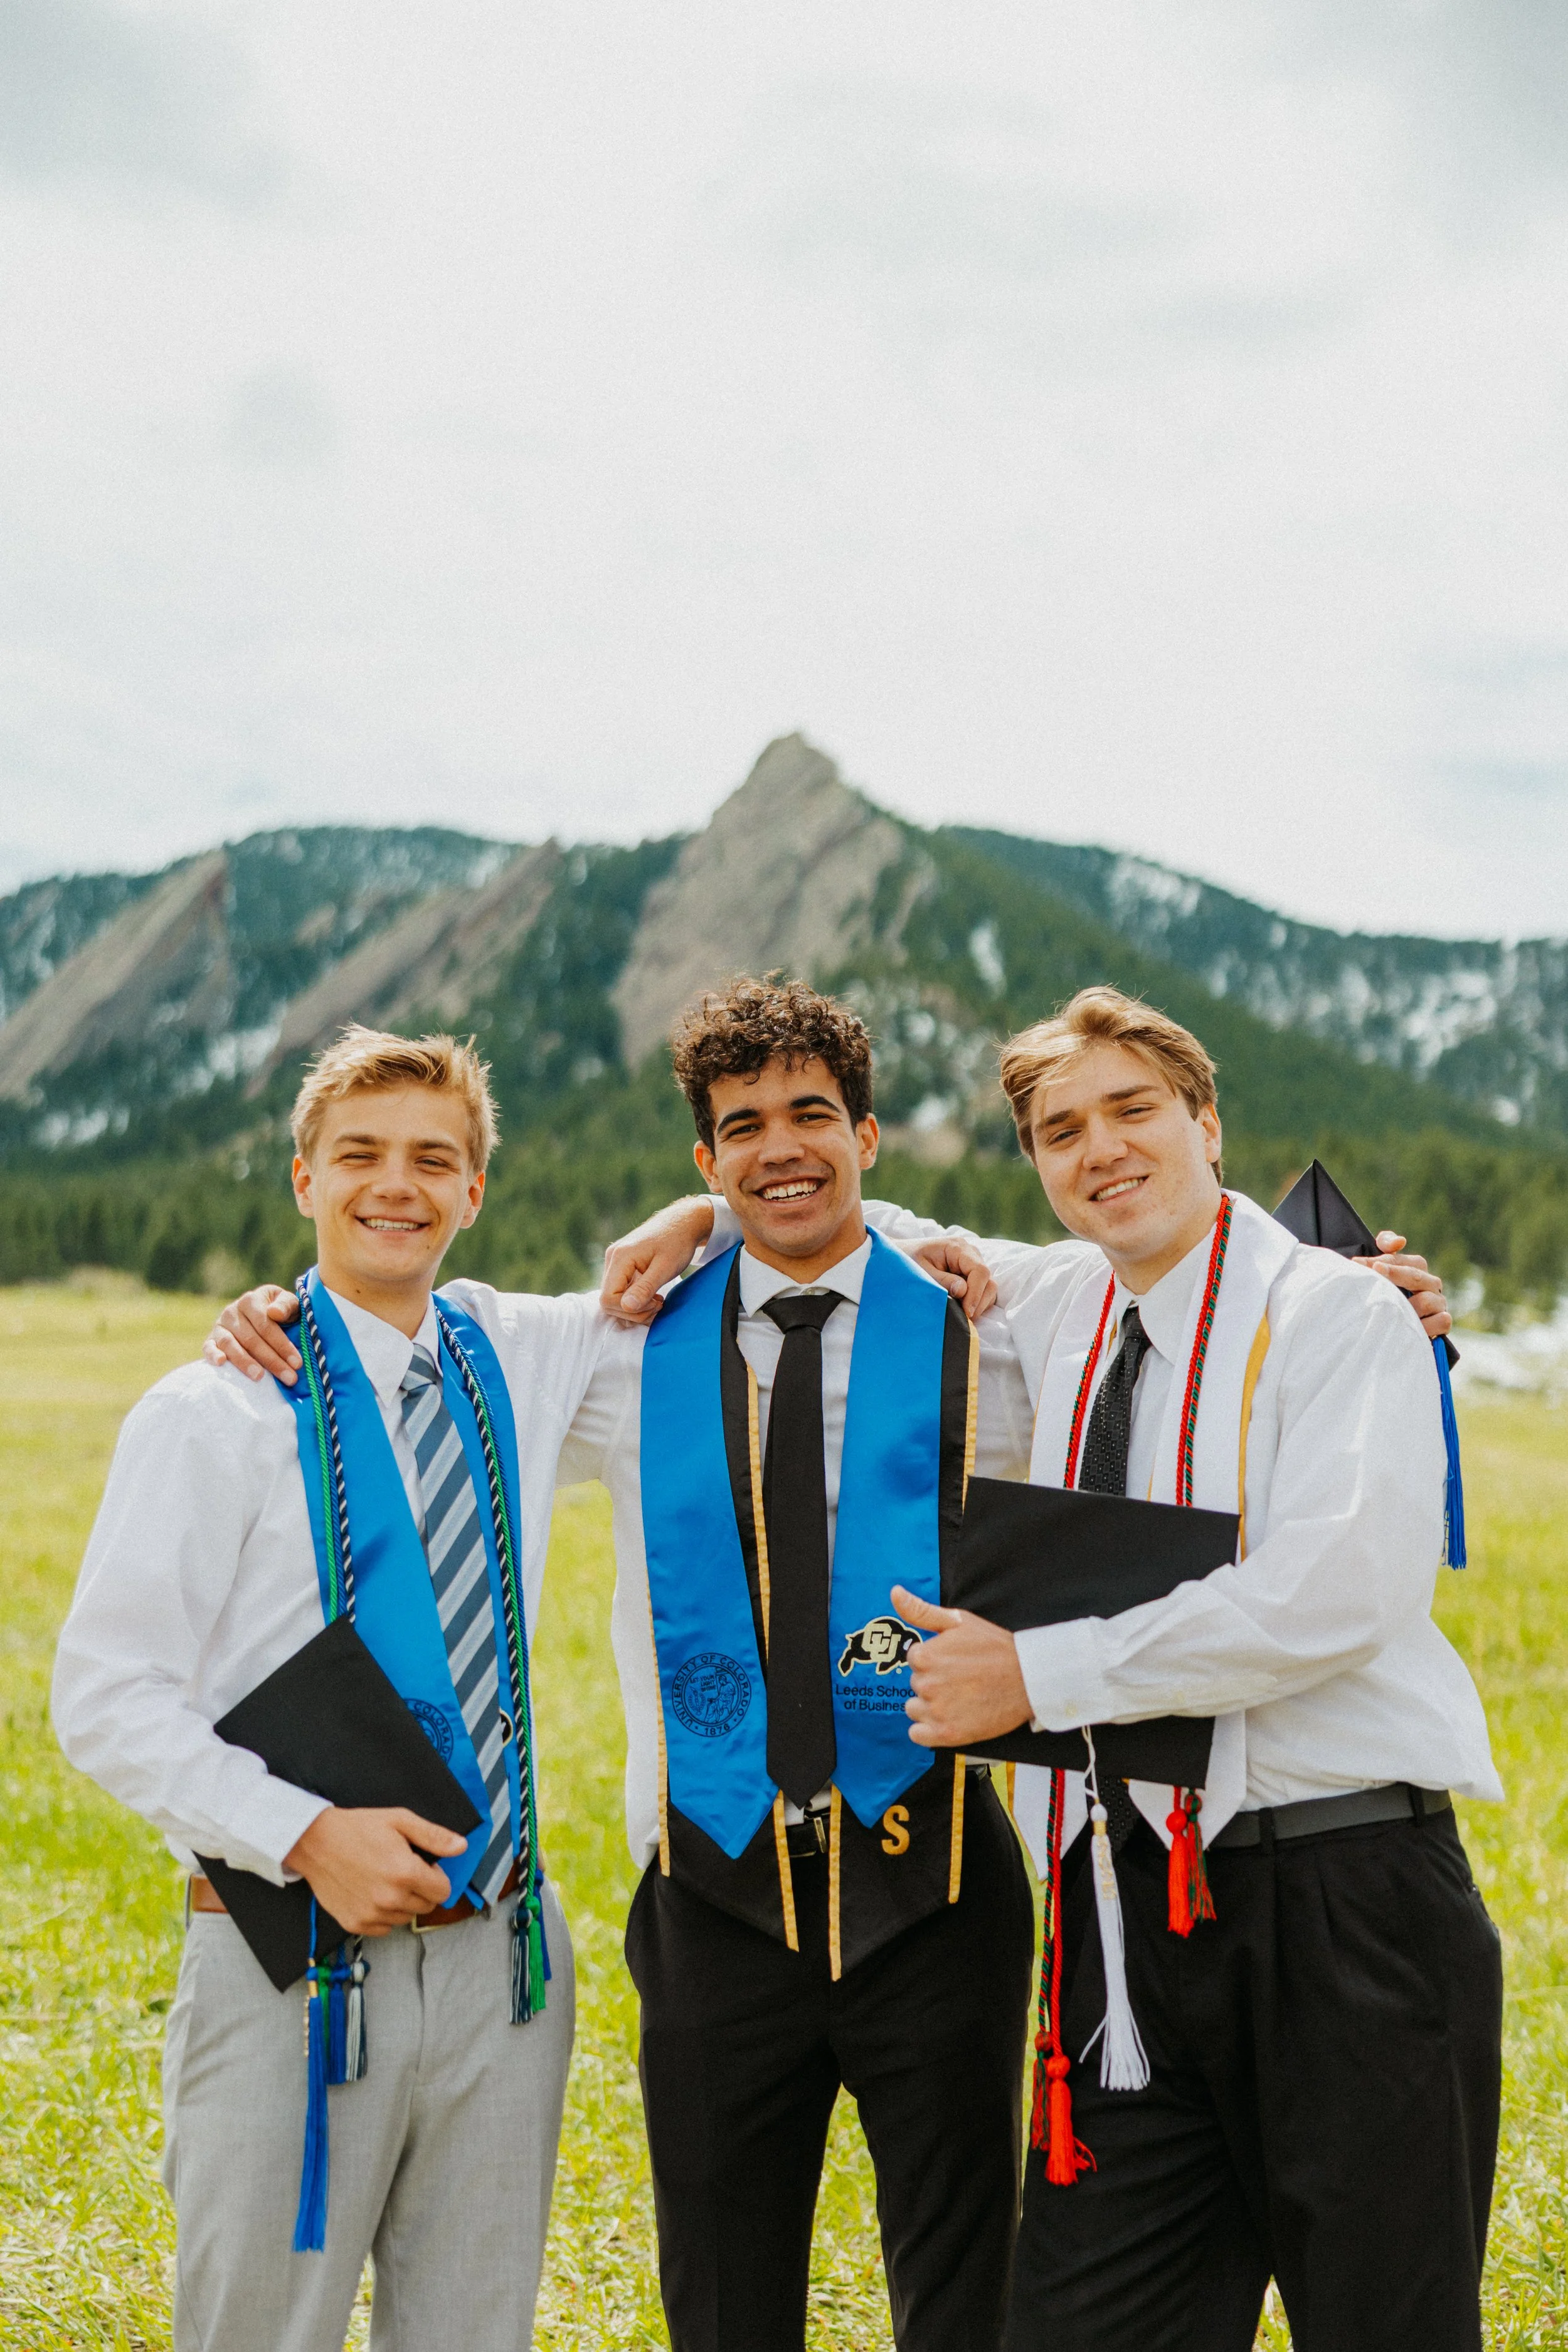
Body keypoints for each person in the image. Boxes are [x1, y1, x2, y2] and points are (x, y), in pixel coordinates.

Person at [204, 978, 1459, 2352]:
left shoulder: (989, 1321)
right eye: (740, 1130)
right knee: (726, 2299)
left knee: (969, 2290)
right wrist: (283, 1309)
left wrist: (1367, 1290)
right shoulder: (620, 1346)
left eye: (812, 1117)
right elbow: (423, 1333)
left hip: (941, 1883)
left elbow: (1153, 1278)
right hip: (712, 1887)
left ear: (870, 1135)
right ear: (704, 1160)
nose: (778, 1148)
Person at [855, 985, 1503, 2352]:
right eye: (1058, 1130)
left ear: (1205, 1121)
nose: (1099, 1149)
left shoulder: (1336, 1316)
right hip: (1125, 1912)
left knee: (1383, 2324)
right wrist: (682, 1223)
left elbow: (1335, 1593)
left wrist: (1040, 1675)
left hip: (1341, 1900)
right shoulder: (1055, 1302)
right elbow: (854, 1227)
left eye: (1132, 1110)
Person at [51, 1025, 705, 2352]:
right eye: (358, 1155)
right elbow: (104, 1695)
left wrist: (699, 1202)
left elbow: (757, 1272)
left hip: (502, 1965)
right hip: (288, 1956)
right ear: (303, 1179)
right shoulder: (214, 1410)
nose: (394, 1186)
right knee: (257, 2331)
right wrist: (302, 1834)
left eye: (433, 1160)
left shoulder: (517, 1354)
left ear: (474, 1192)